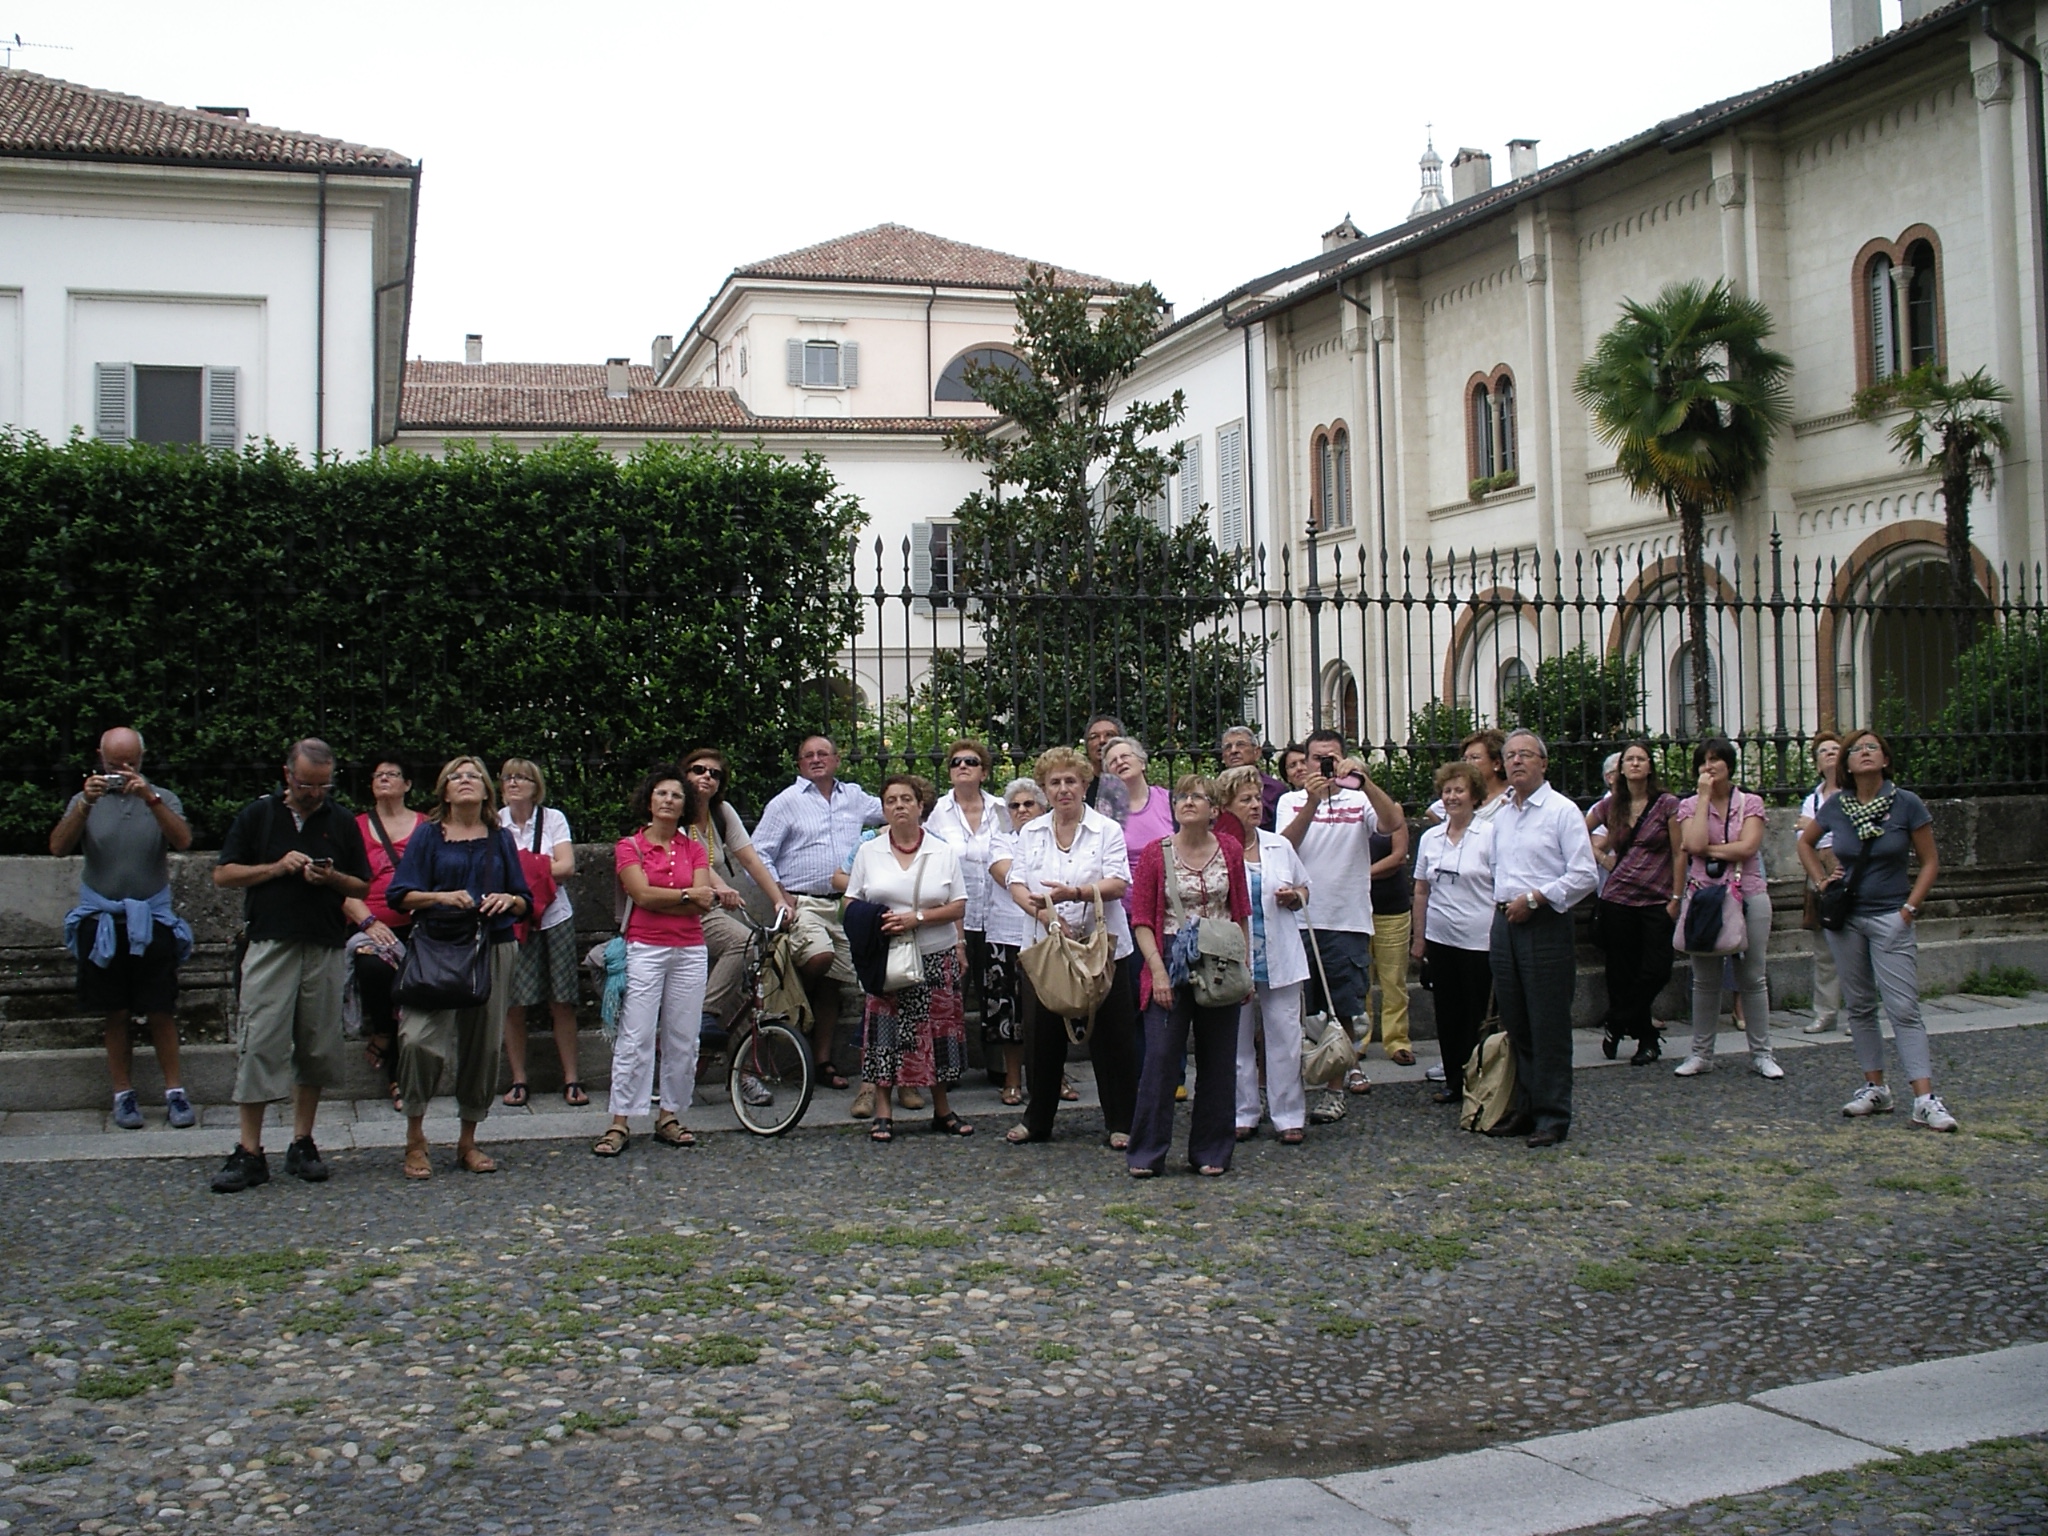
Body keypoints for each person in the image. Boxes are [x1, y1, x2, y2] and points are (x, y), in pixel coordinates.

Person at [210, 739, 371, 1193]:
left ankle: (303, 1141)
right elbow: (223, 874)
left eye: (323, 785)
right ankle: (249, 1149)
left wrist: (331, 877)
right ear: (287, 775)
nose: (315, 792)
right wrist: (277, 867)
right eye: (307, 784)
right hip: (270, 941)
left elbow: (361, 883)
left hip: (323, 943)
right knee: (260, 1040)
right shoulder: (258, 816)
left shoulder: (339, 821)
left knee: (317, 1046)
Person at [385, 757, 534, 1178]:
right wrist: (441, 897)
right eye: (456, 776)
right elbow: (400, 894)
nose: (465, 781)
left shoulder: (500, 838)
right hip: (437, 947)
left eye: (473, 776)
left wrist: (510, 900)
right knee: (417, 1039)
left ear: (487, 791)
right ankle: (416, 1136)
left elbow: (525, 898)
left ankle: (468, 1140)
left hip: (492, 946)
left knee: (482, 1047)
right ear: (443, 790)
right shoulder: (428, 837)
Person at [1797, 729, 1953, 1131]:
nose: (1864, 753)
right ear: (1846, 764)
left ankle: (1924, 1097)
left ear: (1885, 759)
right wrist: (1821, 880)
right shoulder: (1837, 806)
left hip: (1890, 916)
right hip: (1847, 919)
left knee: (1903, 1007)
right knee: (1861, 1006)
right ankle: (1875, 1086)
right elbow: (1806, 844)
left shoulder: (1906, 805)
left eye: (1872, 748)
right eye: (1856, 750)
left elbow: (1930, 861)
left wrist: (1909, 908)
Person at [52, 726, 196, 1130]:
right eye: (114, 764)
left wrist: (148, 797)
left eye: (129, 763)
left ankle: (174, 1092)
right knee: (114, 1011)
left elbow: (183, 840)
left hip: (151, 918)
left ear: (143, 758)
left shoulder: (163, 798)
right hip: (101, 920)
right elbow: (58, 847)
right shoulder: (85, 800)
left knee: (161, 1008)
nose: (121, 771)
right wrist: (83, 805)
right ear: (100, 757)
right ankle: (123, 1093)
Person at [997, 746, 1140, 1148]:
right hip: (1047, 948)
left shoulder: (1107, 830)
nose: (1063, 789)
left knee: (1113, 1038)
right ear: (1045, 788)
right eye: (1055, 782)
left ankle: (1121, 1122)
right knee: (1042, 1039)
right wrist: (1050, 919)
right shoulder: (1031, 832)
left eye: (1071, 781)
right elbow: (1018, 885)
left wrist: (1075, 894)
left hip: (1102, 947)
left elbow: (1118, 883)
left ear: (1085, 783)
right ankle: (1037, 1119)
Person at [1275, 728, 1404, 1119]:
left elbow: (1392, 822)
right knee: (1292, 1012)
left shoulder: (1360, 798)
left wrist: (1364, 782)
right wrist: (1313, 802)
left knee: (1343, 1009)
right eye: (1316, 758)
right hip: (1299, 922)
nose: (1323, 765)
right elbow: (1285, 846)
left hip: (1347, 919)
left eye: (1331, 758)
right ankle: (1290, 1091)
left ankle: (1335, 1088)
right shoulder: (1291, 801)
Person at [750, 735, 884, 1108]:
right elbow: (758, 854)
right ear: (799, 763)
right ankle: (793, 1006)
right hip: (802, 902)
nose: (816, 759)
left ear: (837, 760)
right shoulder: (786, 803)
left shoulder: (855, 797)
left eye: (823, 753)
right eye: (807, 755)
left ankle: (820, 1060)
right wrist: (779, 894)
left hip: (844, 904)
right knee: (819, 958)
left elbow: (896, 809)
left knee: (840, 982)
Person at [1128, 775, 1253, 1176]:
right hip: (1170, 956)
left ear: (1214, 809)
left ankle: (1212, 1150)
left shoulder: (1230, 850)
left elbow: (1240, 912)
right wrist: (1158, 972)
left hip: (1220, 960)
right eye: (1181, 796)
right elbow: (1143, 919)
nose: (1187, 802)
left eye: (1197, 796)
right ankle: (1147, 1153)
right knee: (1161, 1058)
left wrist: (1244, 967)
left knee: (1219, 1060)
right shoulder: (1154, 853)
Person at [594, 765, 716, 1156]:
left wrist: (676, 897)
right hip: (645, 947)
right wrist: (684, 897)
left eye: (676, 796)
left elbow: (704, 897)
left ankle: (670, 1114)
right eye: (662, 793)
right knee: (637, 1035)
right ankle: (621, 1120)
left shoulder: (694, 848)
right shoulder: (629, 846)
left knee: (683, 1037)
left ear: (685, 806)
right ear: (649, 800)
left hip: (690, 949)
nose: (668, 800)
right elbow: (641, 895)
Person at [1487, 729, 1599, 1148]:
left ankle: (1553, 1114)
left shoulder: (1561, 811)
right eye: (1510, 755)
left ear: (1543, 763)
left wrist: (1536, 899)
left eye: (1525, 755)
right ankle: (1527, 1105)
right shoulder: (1502, 812)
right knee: (1515, 1020)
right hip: (1505, 922)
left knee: (1547, 1022)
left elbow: (1584, 875)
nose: (1516, 761)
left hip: (1544, 921)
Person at [845, 774, 973, 1142]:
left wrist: (916, 919)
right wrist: (878, 923)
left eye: (906, 799)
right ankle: (883, 1112)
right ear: (883, 808)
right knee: (885, 1031)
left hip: (935, 954)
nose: (899, 806)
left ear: (920, 806)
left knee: (938, 1032)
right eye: (891, 800)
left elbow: (958, 904)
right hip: (887, 957)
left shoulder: (942, 850)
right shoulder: (869, 851)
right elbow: (852, 901)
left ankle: (943, 1109)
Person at [1671, 738, 1785, 1082]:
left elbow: (1749, 846)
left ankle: (1762, 1054)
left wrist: (1712, 849)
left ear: (1730, 765)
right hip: (1705, 896)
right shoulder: (1690, 805)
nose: (1711, 766)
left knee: (1753, 977)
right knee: (1705, 980)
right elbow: (1690, 845)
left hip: (1748, 893)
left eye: (1717, 759)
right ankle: (1701, 1053)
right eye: (1705, 761)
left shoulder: (1750, 802)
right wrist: (1705, 798)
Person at [1217, 766, 1311, 1143]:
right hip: (1234, 958)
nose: (1255, 805)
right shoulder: (1218, 849)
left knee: (1285, 1037)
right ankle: (1243, 1112)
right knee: (1236, 1041)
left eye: (1257, 798)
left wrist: (1294, 897)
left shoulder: (1279, 845)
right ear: (1226, 806)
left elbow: (1305, 888)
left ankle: (1288, 1115)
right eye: (1245, 800)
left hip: (1280, 958)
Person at [680, 747, 795, 1048]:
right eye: (698, 770)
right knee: (742, 943)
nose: (706, 777)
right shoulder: (676, 809)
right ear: (684, 774)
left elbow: (751, 859)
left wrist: (778, 899)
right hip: (686, 908)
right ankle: (705, 1012)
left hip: (711, 908)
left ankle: (743, 1074)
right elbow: (696, 862)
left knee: (743, 992)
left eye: (714, 774)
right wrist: (722, 888)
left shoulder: (721, 812)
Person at [924, 741, 1013, 1090]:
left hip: (997, 914)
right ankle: (946, 1067)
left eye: (971, 762)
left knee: (998, 989)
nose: (962, 766)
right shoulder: (937, 812)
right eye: (956, 762)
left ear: (984, 772)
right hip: (954, 916)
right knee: (950, 993)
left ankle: (1000, 1066)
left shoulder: (1002, 809)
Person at [1586, 741, 1682, 1066]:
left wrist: (1678, 896)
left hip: (1657, 897)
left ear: (1650, 767)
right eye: (1630, 759)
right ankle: (1647, 1041)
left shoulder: (1667, 804)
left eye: (1641, 759)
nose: (1635, 764)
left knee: (1657, 969)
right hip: (1618, 899)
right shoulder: (1612, 805)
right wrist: (1600, 855)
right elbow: (1577, 831)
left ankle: (1616, 1020)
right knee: (1622, 971)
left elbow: (1679, 851)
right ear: (1621, 769)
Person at [498, 758, 585, 1108]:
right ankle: (519, 1078)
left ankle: (572, 1078)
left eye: (522, 777)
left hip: (554, 916)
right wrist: (538, 868)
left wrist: (524, 867)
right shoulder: (495, 823)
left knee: (562, 998)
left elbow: (567, 866)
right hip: (512, 918)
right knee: (513, 1001)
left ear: (536, 786)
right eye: (508, 777)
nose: (514, 783)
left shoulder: (553, 819)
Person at [1409, 761, 1496, 1104]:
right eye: (1447, 791)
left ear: (1474, 796)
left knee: (1478, 1014)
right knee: (1448, 1013)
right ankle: (1453, 1079)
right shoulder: (1430, 837)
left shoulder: (1490, 835)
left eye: (1459, 790)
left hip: (1480, 939)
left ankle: (1482, 1079)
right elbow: (1420, 890)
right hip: (1441, 938)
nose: (1452, 797)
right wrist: (1419, 938)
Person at [351, 755, 420, 1112]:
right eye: (378, 775)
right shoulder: (356, 827)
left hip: (419, 926)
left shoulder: (425, 827)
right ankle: (385, 1039)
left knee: (414, 977)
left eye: (393, 774)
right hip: (371, 925)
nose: (384, 779)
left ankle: (392, 1055)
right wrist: (369, 923)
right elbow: (343, 888)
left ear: (407, 784)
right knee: (373, 967)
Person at [982, 778, 1045, 1104]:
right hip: (1006, 934)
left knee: (1053, 1007)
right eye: (1015, 806)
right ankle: (1012, 1079)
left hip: (1047, 935)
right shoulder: (1001, 841)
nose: (1021, 810)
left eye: (1028, 804)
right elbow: (1006, 876)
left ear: (1041, 807)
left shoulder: (1055, 839)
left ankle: (1054, 1076)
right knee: (1009, 1012)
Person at [1360, 760, 1416, 1067]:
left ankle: (1397, 1040)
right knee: (1361, 981)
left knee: (1394, 979)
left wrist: (1361, 874)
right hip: (1358, 908)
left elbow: (1398, 855)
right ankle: (1361, 1039)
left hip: (1391, 906)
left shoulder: (1390, 810)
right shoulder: (1345, 813)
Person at [1797, 732, 1846, 1035]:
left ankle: (1858, 1013)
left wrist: (1818, 833)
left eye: (1836, 749)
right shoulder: (1812, 799)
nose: (1830, 754)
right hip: (1820, 878)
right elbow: (1802, 839)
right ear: (1817, 764)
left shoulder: (1854, 795)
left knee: (1856, 948)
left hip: (1850, 875)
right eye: (1824, 751)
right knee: (1824, 950)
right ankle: (1826, 1012)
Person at [1102, 737, 1174, 854]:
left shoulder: (1169, 801)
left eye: (1125, 756)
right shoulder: (1106, 814)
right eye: (1113, 762)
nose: (1120, 762)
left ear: (1142, 763)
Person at [1220, 726, 1287, 830]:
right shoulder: (1216, 788)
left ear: (1257, 752)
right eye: (1228, 747)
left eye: (1240, 745)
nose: (1233, 751)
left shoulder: (1275, 789)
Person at [1083, 714, 1125, 817]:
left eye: (1109, 735)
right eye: (1094, 737)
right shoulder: (1080, 785)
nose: (1102, 741)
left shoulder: (1130, 781)